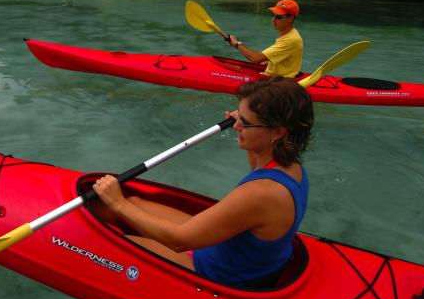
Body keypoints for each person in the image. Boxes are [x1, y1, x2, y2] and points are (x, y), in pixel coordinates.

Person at [93, 77, 314, 287]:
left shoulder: (263, 193)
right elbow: (257, 161)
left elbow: (178, 241)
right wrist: (247, 122)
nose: (236, 126)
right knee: (131, 202)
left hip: (214, 270)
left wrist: (117, 203)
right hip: (222, 251)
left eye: (245, 123)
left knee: (110, 241)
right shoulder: (292, 167)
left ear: (277, 131)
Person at [227, 0, 303, 79]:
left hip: (279, 82)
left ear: (290, 18)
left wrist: (237, 44)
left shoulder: (290, 40)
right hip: (277, 76)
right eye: (273, 15)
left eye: (278, 17)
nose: (272, 20)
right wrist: (269, 62)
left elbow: (256, 58)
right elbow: (285, 58)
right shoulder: (290, 34)